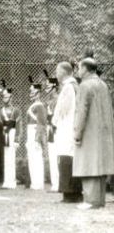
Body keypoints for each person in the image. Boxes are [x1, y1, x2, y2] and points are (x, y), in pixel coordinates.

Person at [72, 57, 114, 210]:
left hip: (89, 133)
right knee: (100, 167)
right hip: (103, 133)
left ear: (85, 69)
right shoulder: (103, 84)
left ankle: (90, 201)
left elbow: (81, 112)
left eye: (79, 67)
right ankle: (99, 200)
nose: (78, 70)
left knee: (88, 165)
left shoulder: (84, 86)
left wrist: (77, 133)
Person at [52, 61, 82, 203]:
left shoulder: (69, 87)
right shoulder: (74, 86)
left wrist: (55, 121)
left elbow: (63, 109)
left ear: (63, 72)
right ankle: (73, 192)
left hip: (67, 127)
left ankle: (69, 193)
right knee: (70, 158)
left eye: (57, 71)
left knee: (66, 159)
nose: (56, 74)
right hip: (70, 127)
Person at [26, 78, 48, 190]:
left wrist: (37, 138)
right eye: (30, 92)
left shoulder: (39, 105)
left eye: (33, 92)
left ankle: (38, 182)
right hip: (30, 131)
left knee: (37, 157)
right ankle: (34, 182)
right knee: (32, 157)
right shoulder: (34, 105)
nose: (31, 94)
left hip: (35, 132)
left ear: (38, 93)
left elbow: (41, 123)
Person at [0, 81, 19, 189]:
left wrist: (17, 139)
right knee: (5, 158)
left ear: (11, 97)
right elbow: (0, 123)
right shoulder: (1, 110)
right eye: (3, 97)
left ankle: (12, 181)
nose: (4, 99)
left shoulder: (16, 110)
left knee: (11, 158)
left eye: (6, 97)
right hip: (4, 134)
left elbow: (19, 125)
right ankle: (6, 181)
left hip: (12, 133)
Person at [43, 70, 61, 192]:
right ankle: (55, 184)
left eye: (48, 86)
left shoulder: (58, 99)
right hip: (50, 129)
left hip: (57, 130)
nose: (46, 88)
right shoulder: (49, 101)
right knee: (52, 156)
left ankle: (60, 183)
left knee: (57, 156)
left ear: (54, 87)